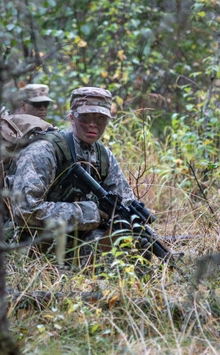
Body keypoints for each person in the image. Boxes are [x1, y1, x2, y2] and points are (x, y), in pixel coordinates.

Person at [8, 85, 140, 263]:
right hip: (30, 243)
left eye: (100, 118)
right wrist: (91, 213)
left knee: (132, 252)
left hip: (74, 239)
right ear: (72, 117)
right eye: (86, 117)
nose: (93, 124)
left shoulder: (103, 155)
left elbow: (125, 201)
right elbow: (25, 210)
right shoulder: (44, 151)